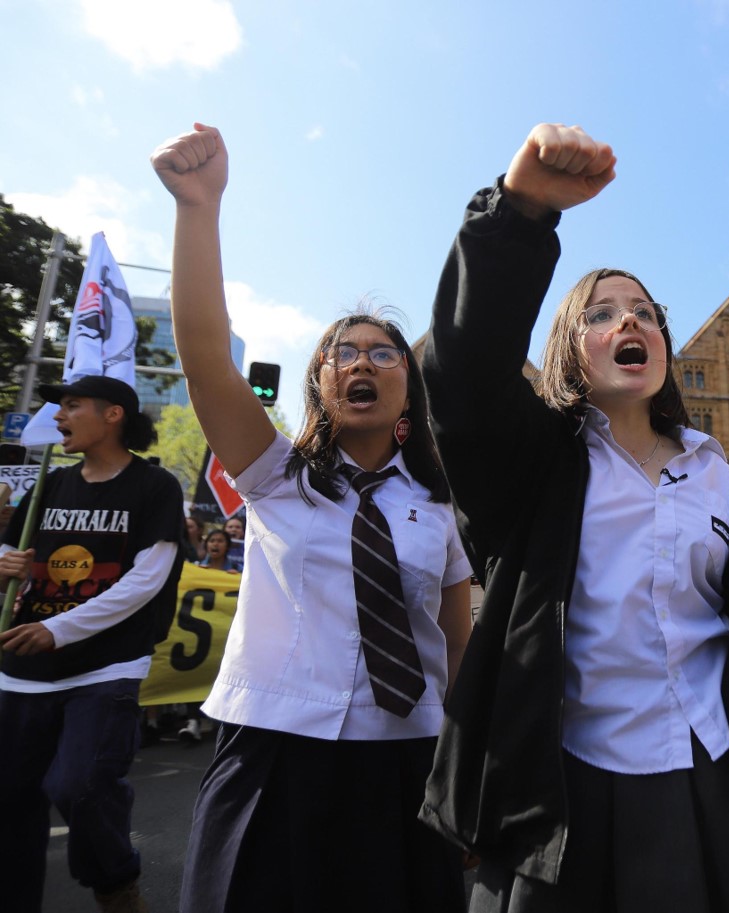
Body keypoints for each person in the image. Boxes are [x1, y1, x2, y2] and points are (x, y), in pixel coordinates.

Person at [418, 122, 729, 913]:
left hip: (714, 781)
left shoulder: (725, 486)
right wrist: (520, 213)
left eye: (645, 311)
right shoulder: (532, 466)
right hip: (564, 790)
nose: (630, 321)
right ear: (570, 347)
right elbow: (463, 367)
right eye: (602, 313)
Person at [152, 123, 472, 913]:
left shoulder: (442, 506)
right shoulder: (273, 475)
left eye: (383, 352)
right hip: (273, 757)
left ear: (409, 386)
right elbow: (201, 353)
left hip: (411, 763)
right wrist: (200, 205)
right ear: (321, 381)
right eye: (343, 352)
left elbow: (458, 646)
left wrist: (467, 770)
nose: (362, 361)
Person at [0, 375, 184, 913]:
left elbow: (145, 580)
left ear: (114, 415)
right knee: (10, 803)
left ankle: (115, 882)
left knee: (79, 785)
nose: (58, 417)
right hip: (21, 672)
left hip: (105, 669)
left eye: (72, 406)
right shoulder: (49, 485)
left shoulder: (156, 487)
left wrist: (58, 629)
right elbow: (12, 557)